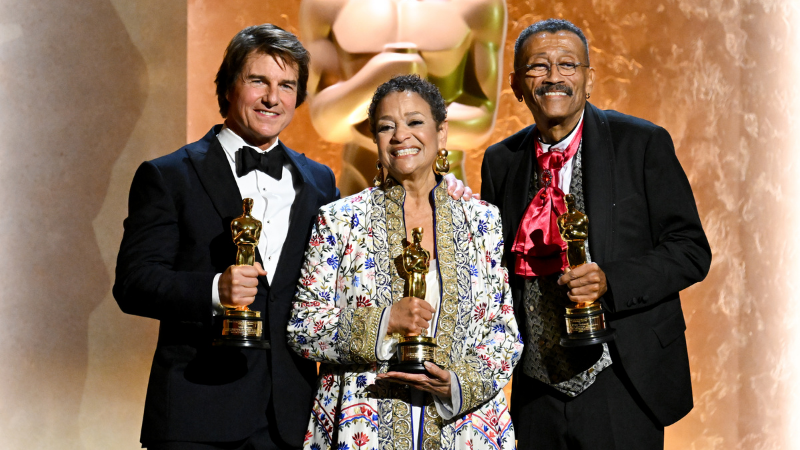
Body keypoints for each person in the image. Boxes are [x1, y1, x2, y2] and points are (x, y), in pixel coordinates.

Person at [480, 19, 712, 449]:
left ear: (589, 79)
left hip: (623, 378)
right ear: (515, 84)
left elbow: (691, 250)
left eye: (568, 64)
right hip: (535, 386)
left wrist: (612, 280)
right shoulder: (500, 161)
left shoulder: (641, 143)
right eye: (538, 67)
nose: (554, 77)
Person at [113, 24, 340, 449]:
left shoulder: (321, 181)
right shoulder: (169, 175)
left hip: (292, 419)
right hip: (197, 413)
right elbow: (133, 283)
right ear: (229, 87)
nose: (273, 98)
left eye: (287, 85)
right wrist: (215, 288)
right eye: (259, 81)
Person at [287, 75, 522, 450]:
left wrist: (457, 384)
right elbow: (303, 327)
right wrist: (384, 322)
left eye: (415, 122)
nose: (400, 136)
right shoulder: (339, 220)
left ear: (441, 133)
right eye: (386, 126)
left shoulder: (482, 220)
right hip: (362, 422)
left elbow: (504, 333)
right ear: (374, 138)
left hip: (464, 427)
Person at [298, 0, 506, 194]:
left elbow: (482, 120)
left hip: (441, 186)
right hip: (362, 186)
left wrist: (397, 122)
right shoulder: (325, 5)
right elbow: (325, 121)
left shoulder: (477, 4)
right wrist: (375, 78)